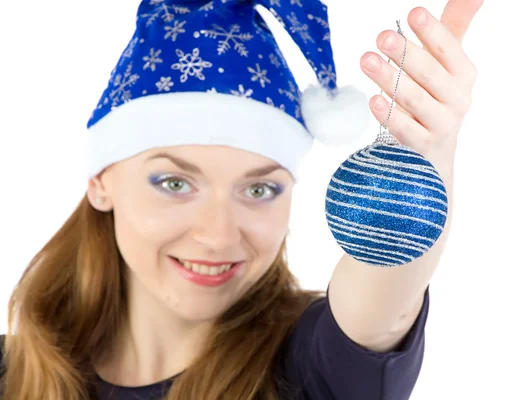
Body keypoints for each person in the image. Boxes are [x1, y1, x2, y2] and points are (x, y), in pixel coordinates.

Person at [0, 0, 481, 399]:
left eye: (259, 189)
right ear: (100, 180)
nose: (217, 234)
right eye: (174, 183)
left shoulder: (310, 371)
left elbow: (382, 311)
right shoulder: (10, 374)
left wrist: (422, 157)